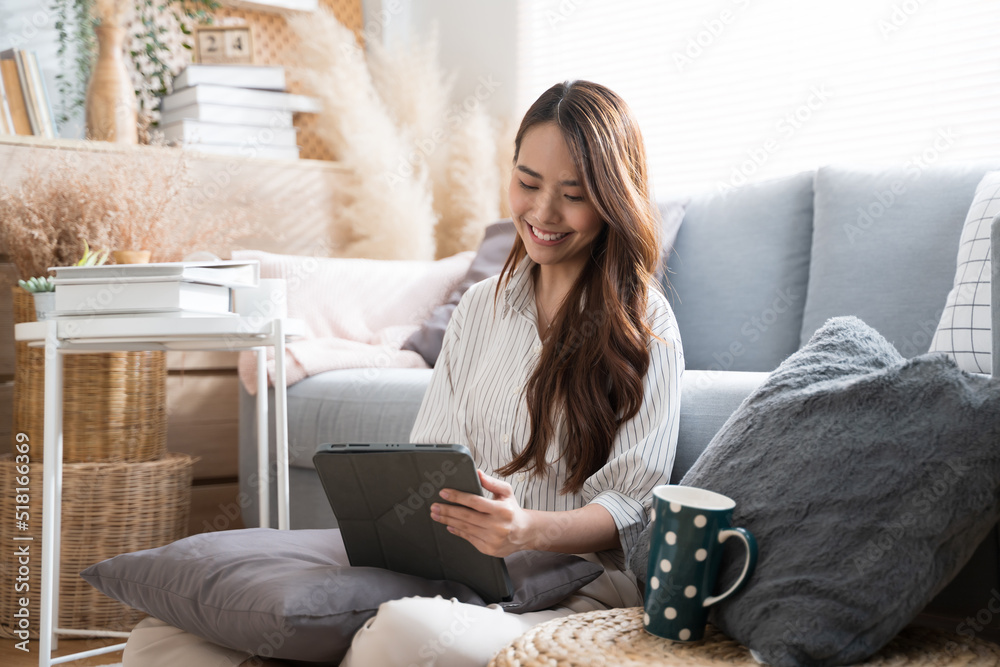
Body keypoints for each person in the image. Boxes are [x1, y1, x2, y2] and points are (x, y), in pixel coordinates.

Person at [121, 80, 682, 667]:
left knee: (399, 632)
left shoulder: (646, 324)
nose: (542, 213)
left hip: (571, 584)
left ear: (614, 198)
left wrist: (525, 529)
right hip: (453, 572)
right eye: (527, 182)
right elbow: (431, 454)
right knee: (161, 638)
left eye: (573, 194)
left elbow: (631, 505)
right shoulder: (479, 307)